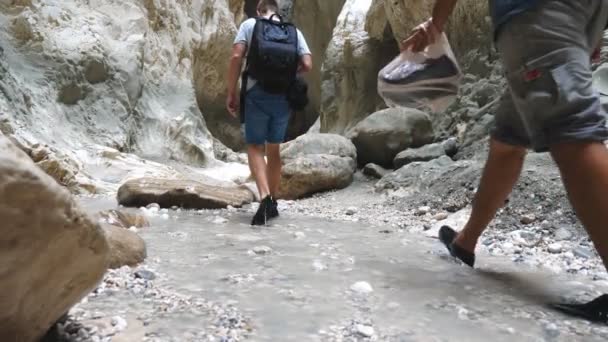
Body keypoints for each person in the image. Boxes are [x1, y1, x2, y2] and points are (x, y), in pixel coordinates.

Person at [402, 0, 608, 323]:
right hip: (578, 12)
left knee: (572, 131)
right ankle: (464, 243)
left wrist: (436, 24)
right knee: (509, 139)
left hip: (533, 11)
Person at [226, 0, 312, 226]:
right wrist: (284, 73)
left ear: (259, 10)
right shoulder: (292, 31)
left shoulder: (250, 25)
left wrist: (231, 92)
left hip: (256, 94)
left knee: (255, 146)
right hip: (283, 97)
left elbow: (236, 57)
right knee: (274, 149)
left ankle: (264, 197)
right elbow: (307, 63)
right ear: (277, 10)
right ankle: (273, 201)